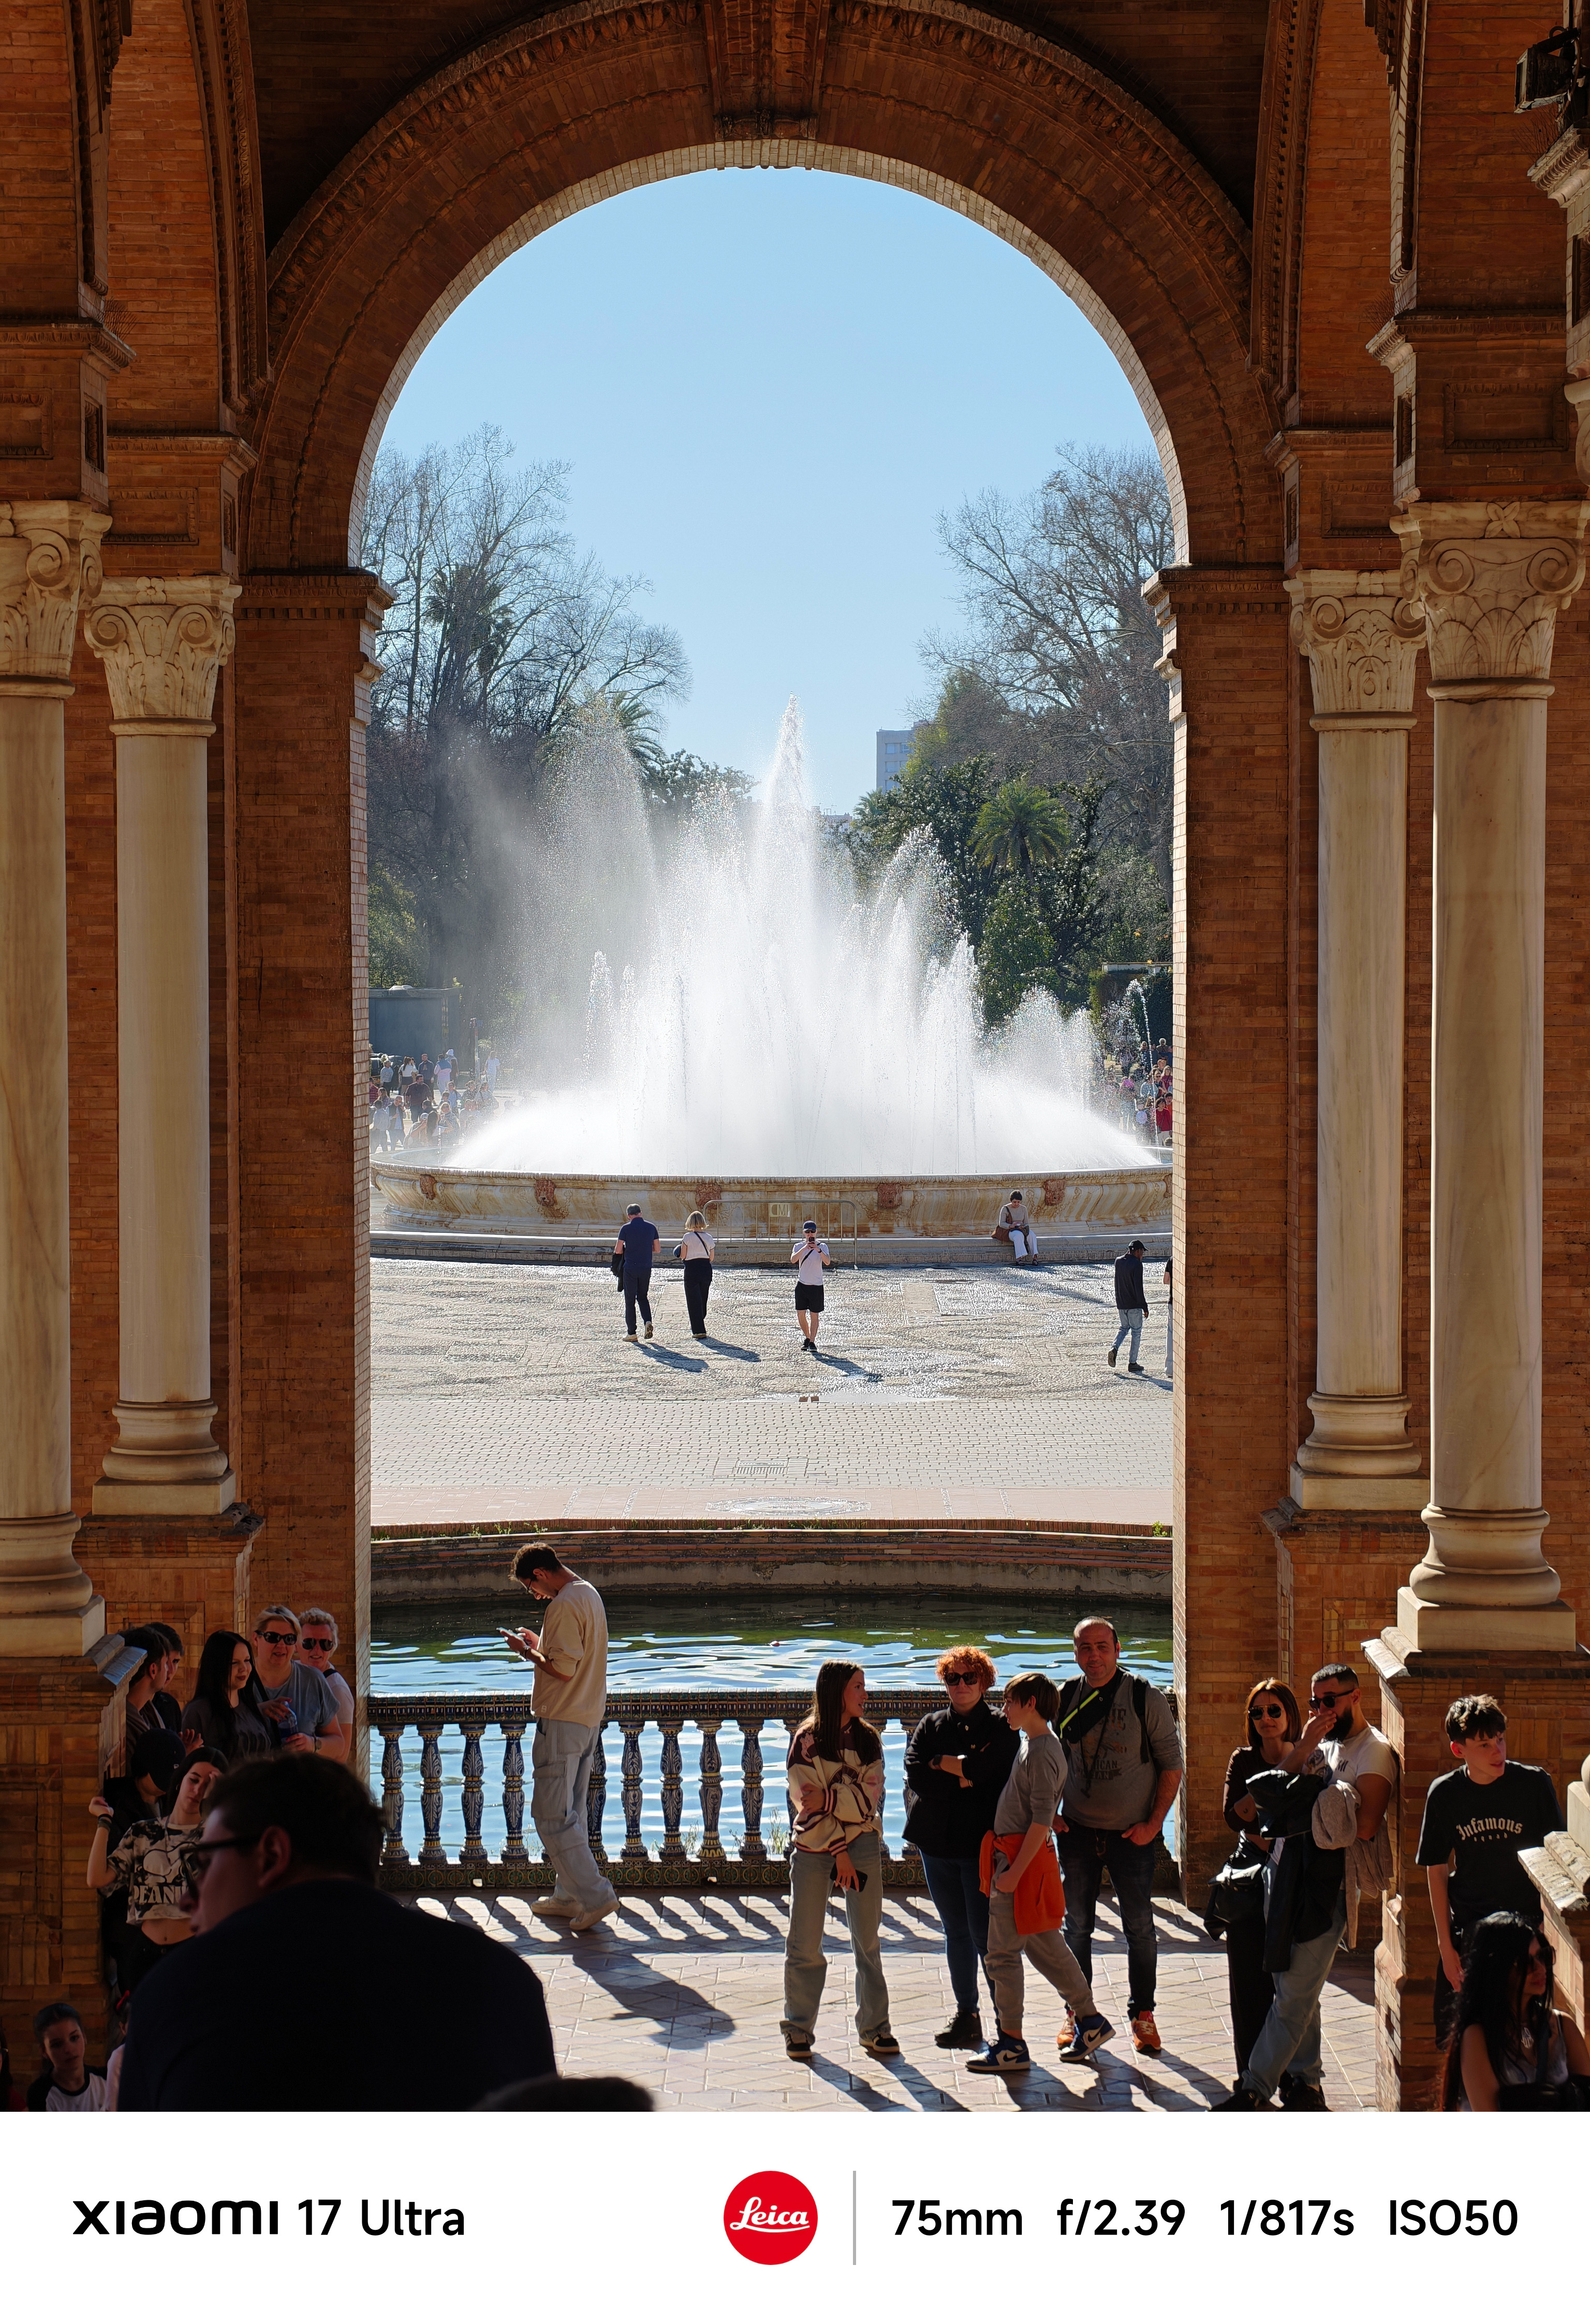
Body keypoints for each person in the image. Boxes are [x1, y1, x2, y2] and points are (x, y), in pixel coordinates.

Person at [116, 1756, 555, 2110]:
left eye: (205, 1863)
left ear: (271, 1854)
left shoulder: (178, 1993)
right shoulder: (502, 1981)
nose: (190, 1899)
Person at [1214, 1660, 1396, 2111]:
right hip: (1288, 1876)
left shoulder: (1373, 1752)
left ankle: (1254, 2089)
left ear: (1357, 1696)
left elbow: (1367, 1826)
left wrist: (1305, 1810)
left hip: (1327, 1889)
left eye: (1330, 1701)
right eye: (1316, 1703)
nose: (1323, 1711)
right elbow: (1260, 1807)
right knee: (1296, 1986)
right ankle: (1307, 2081)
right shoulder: (1327, 1746)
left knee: (1294, 1992)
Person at [968, 1671, 1114, 2076]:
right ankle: (1090, 2020)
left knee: (1002, 1955)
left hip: (1021, 1866)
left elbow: (1041, 1819)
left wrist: (1013, 1873)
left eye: (1010, 1702)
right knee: (1046, 1948)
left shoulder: (1042, 1751)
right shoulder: (1037, 1746)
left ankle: (1012, 2043)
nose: (1004, 1710)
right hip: (1021, 1862)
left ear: (1030, 1703)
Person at [1052, 1617, 1183, 2055]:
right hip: (1077, 1833)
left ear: (1117, 1648)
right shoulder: (1065, 1697)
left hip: (1132, 1836)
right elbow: (1044, 1758)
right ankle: (1078, 2013)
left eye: (1102, 1646)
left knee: (1140, 1929)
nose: (1094, 1656)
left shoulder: (1145, 1697)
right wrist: (1048, 1812)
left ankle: (1142, 2015)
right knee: (1077, 1929)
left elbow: (1172, 1765)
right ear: (1075, 1653)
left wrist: (1154, 1824)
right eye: (1085, 1648)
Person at [1417, 1694, 1562, 2043]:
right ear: (1459, 1750)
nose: (1498, 1752)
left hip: (1526, 1930)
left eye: (1500, 1740)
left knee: (1528, 2033)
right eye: (1484, 1744)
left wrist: (1546, 1930)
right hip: (1473, 1930)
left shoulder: (1535, 1784)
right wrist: (1444, 1947)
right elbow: (1436, 1870)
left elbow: (1556, 1861)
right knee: (1468, 2036)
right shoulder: (1445, 1794)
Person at [903, 1647, 1019, 2048]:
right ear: (945, 1682)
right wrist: (964, 1776)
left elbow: (994, 1774)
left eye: (970, 1678)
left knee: (986, 1935)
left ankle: (1007, 2026)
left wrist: (946, 1767)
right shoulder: (931, 1725)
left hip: (981, 1847)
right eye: (953, 1678)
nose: (962, 1685)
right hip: (936, 1845)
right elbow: (917, 1775)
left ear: (986, 1682)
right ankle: (967, 2015)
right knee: (956, 1932)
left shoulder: (1003, 1728)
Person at [781, 1660, 897, 2060]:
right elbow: (804, 1803)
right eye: (858, 1687)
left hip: (861, 1844)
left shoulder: (869, 1741)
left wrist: (832, 1798)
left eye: (865, 1686)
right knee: (805, 1942)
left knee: (867, 1941)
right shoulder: (807, 1740)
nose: (865, 1694)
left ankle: (875, 2028)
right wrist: (840, 1849)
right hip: (817, 1850)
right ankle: (798, 2028)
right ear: (836, 1692)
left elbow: (868, 1803)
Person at [503, 1543, 619, 1933]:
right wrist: (542, 1645)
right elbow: (573, 1656)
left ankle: (596, 1895)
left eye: (530, 1588)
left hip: (562, 1720)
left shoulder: (563, 1605)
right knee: (572, 1812)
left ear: (539, 1573)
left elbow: (564, 1671)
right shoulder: (589, 1594)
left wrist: (525, 1652)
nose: (534, 1596)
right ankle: (568, 1895)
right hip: (587, 1719)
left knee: (551, 1816)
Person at [88, 1749, 226, 1992]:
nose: (198, 1790)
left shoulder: (216, 1840)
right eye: (194, 1780)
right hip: (144, 1952)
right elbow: (97, 1878)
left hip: (191, 1952)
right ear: (180, 1780)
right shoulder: (144, 1833)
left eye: (209, 1786)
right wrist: (104, 1822)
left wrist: (215, 1807)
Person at [1218, 1679, 1302, 2075]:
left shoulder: (1311, 1757)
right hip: (1252, 1882)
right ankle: (1250, 2076)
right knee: (1248, 1985)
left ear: (1289, 1714)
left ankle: (1294, 2076)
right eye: (1257, 1712)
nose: (1266, 1719)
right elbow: (1237, 1816)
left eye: (1274, 1711)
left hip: (1295, 1884)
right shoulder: (1244, 1760)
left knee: (1291, 1987)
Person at [1441, 1913, 1590, 2110]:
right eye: (1526, 1963)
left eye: (1543, 1956)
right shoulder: (1478, 2037)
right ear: (1499, 1970)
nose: (1540, 1968)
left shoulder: (1564, 2027)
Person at [249, 1606, 348, 1760]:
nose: (281, 1645)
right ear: (256, 1639)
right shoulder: (239, 1678)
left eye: (289, 1639)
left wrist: (312, 1744)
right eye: (273, 1637)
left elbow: (339, 1744)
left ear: (296, 1644)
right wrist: (256, 1711)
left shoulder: (313, 1680)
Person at [181, 1629, 274, 1760]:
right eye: (235, 1663)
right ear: (217, 1666)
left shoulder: (251, 1708)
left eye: (247, 1660)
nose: (244, 1668)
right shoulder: (199, 1711)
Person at [26, 2003, 107, 2111]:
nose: (69, 2050)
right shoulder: (39, 2094)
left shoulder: (106, 2078)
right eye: (57, 2044)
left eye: (74, 2038)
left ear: (84, 2037)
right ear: (44, 2051)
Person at [296, 1607, 357, 1738]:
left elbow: (342, 1753)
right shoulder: (294, 1673)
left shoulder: (337, 1690)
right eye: (309, 1643)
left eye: (325, 1644)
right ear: (296, 1645)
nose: (317, 1650)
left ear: (332, 1648)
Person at [121, 1625, 174, 1747]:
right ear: (153, 1670)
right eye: (166, 1663)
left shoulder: (146, 1712)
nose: (170, 1670)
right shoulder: (125, 1727)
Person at [614, 1200, 659, 1342]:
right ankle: (647, 1321)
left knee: (630, 1300)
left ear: (629, 1216)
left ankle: (632, 1333)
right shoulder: (652, 1227)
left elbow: (618, 1250)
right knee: (643, 1297)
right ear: (641, 1214)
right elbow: (657, 1249)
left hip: (630, 1268)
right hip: (646, 1267)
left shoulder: (625, 1228)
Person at [1106, 1239, 1149, 1374]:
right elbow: (1138, 1288)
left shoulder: (1118, 1261)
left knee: (1124, 1328)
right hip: (1134, 1305)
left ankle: (1114, 1348)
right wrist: (1145, 1307)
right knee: (1136, 1332)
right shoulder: (1137, 1264)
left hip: (1122, 1303)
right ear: (1136, 1251)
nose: (1142, 1255)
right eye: (1142, 1252)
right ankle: (1133, 1363)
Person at [791, 1218, 830, 1354]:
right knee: (801, 1314)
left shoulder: (823, 1246)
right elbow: (793, 1260)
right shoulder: (798, 1246)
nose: (810, 1234)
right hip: (802, 1284)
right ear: (804, 1233)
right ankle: (807, 1337)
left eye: (813, 1232)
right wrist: (805, 1248)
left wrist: (818, 1250)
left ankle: (812, 1341)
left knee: (815, 1315)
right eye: (808, 1232)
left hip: (817, 1286)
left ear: (816, 1232)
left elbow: (828, 1262)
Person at [679, 1209, 715, 1337]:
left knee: (693, 1299)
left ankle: (699, 1330)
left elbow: (683, 1255)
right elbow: (712, 1258)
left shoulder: (687, 1237)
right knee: (703, 1297)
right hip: (706, 1268)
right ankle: (701, 1318)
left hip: (692, 1268)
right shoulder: (709, 1237)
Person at [998, 1190, 1038, 1266]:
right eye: (1015, 1202)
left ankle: (1035, 1258)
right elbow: (1001, 1223)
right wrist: (1010, 1226)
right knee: (1019, 1235)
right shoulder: (1005, 1208)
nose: (1016, 1204)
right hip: (1010, 1230)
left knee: (1032, 1235)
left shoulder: (1024, 1208)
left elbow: (1027, 1223)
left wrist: (1023, 1226)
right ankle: (1019, 1259)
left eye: (1018, 1202)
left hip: (1021, 1229)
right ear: (1011, 1201)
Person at [1161, 1255, 1173, 1378]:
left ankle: (1170, 1369)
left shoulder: (1171, 1259)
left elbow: (1166, 1280)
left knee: (1171, 1333)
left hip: (1172, 1302)